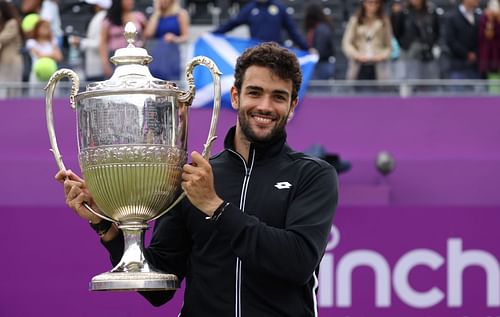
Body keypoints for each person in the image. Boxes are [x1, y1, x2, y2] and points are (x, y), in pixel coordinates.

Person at [55, 42, 338, 316]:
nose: (265, 105)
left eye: (278, 96)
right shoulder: (195, 179)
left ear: (292, 106)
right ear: (236, 96)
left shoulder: (312, 175)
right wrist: (106, 226)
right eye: (255, 92)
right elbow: (161, 288)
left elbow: (298, 262)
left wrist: (216, 207)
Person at [212, 0, 309, 51]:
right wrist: (212, 34)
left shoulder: (279, 7)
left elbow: (292, 30)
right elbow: (231, 24)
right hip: (257, 52)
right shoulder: (250, 8)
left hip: (276, 52)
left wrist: (307, 48)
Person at [342, 0, 393, 82]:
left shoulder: (384, 21)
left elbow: (389, 45)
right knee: (356, 90)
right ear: (364, 3)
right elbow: (347, 43)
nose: (373, 6)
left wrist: (382, 55)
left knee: (381, 90)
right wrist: (357, 55)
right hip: (358, 64)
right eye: (370, 2)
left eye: (376, 3)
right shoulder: (355, 20)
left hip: (379, 64)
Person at [390, 0, 440, 81]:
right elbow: (396, 31)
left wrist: (431, 44)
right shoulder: (403, 12)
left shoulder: (431, 11)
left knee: (429, 81)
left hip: (427, 52)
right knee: (407, 80)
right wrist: (404, 45)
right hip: (407, 51)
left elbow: (436, 31)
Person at [144, 0, 189, 81]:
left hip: (172, 54)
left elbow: (185, 37)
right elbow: (148, 34)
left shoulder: (181, 14)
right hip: (156, 54)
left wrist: (174, 38)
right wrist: (156, 13)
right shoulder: (156, 15)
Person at [100, 0, 146, 77]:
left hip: (135, 56)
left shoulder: (138, 16)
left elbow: (147, 33)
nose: (130, 2)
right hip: (116, 57)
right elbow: (103, 43)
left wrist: (142, 44)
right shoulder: (109, 20)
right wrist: (105, 63)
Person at [68, 0, 111, 82]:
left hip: (100, 68)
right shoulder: (99, 17)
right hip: (94, 68)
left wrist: (80, 42)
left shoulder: (102, 18)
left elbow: (100, 43)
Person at [444, 0, 481, 81]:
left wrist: (475, 53)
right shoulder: (452, 17)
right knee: (458, 92)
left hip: (476, 66)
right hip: (457, 65)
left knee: (479, 92)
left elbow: (481, 39)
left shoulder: (480, 17)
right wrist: (467, 54)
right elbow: (450, 40)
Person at [26, 18, 62, 95]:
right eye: (43, 27)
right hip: (37, 74)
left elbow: (59, 57)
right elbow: (39, 55)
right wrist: (52, 54)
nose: (46, 29)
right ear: (37, 29)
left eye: (47, 27)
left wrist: (52, 40)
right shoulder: (31, 42)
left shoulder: (53, 42)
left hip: (52, 75)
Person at [304, 2, 336, 80]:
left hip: (321, 66)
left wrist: (314, 52)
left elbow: (320, 49)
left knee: (319, 90)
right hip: (318, 65)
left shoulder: (321, 28)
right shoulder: (315, 27)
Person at [0, 0, 24, 98]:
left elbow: (3, 38)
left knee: (13, 92)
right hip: (3, 63)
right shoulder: (3, 25)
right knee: (2, 91)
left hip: (12, 63)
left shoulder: (12, 23)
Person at [478, 0, 500, 93]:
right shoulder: (486, 18)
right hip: (493, 58)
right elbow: (488, 35)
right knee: (493, 89)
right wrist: (491, 19)